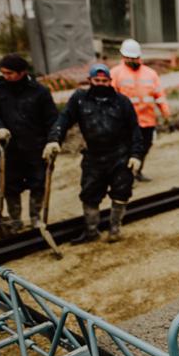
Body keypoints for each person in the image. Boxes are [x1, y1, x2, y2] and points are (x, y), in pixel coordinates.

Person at [44, 64, 144, 244]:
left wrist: (136, 155)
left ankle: (115, 229)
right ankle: (91, 231)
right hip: (94, 156)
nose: (100, 84)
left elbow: (135, 129)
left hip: (120, 155)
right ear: (90, 80)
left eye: (104, 81)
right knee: (89, 194)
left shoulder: (122, 101)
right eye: (97, 80)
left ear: (110, 82)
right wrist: (54, 140)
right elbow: (64, 119)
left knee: (121, 193)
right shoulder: (80, 100)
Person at [0, 53, 57, 231]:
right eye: (3, 73)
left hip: (35, 147)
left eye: (10, 73)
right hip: (10, 148)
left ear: (22, 72)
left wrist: (52, 141)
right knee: (10, 186)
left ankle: (35, 217)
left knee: (38, 183)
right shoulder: (0, 89)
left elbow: (52, 120)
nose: (6, 77)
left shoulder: (40, 92)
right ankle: (15, 220)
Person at [110, 38, 169, 182]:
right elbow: (111, 98)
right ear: (123, 56)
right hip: (126, 122)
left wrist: (165, 112)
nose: (131, 60)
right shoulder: (116, 73)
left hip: (147, 120)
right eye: (128, 57)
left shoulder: (150, 74)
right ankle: (126, 175)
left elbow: (159, 95)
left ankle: (137, 170)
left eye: (134, 57)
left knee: (145, 146)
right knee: (127, 149)